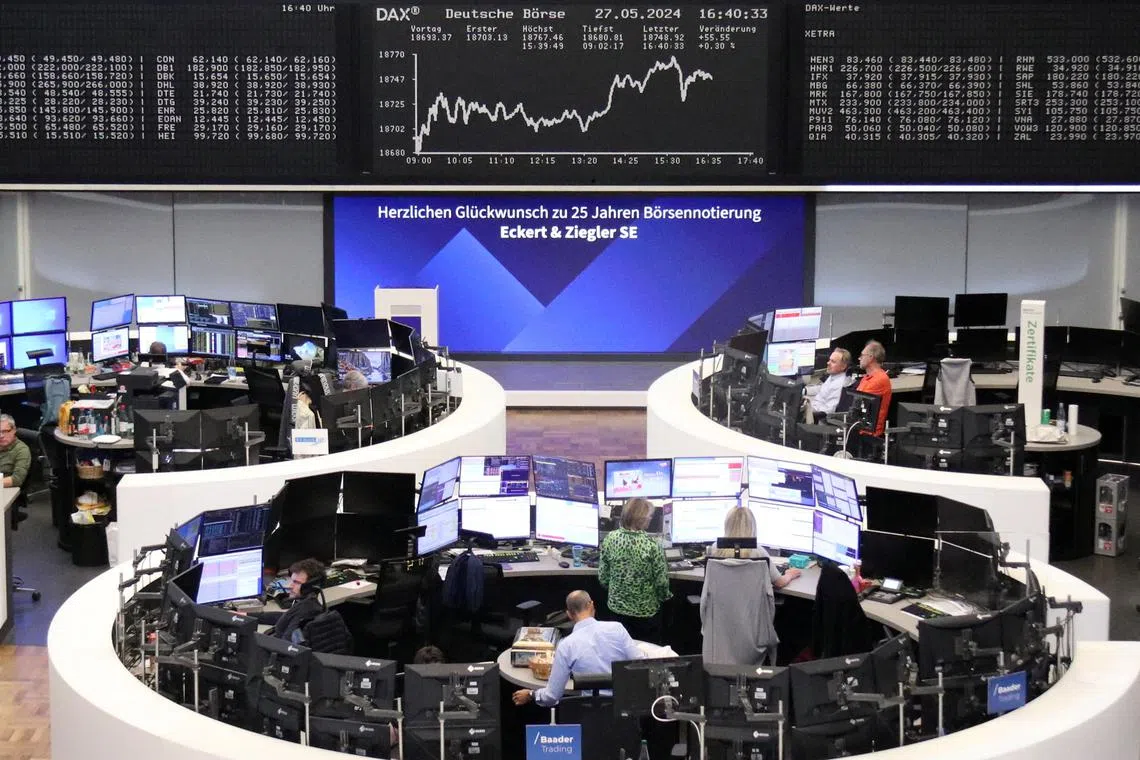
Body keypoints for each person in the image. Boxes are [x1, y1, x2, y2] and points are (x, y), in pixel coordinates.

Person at [511, 590, 642, 707]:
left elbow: (552, 696)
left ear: (569, 614)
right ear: (591, 605)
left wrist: (531, 694)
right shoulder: (617, 628)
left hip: (589, 713)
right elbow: (641, 664)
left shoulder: (566, 645)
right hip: (625, 709)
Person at [597, 497, 671, 643]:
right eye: (649, 516)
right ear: (642, 520)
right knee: (645, 654)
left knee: (620, 654)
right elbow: (662, 584)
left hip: (616, 612)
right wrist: (666, 598)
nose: (650, 519)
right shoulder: (652, 545)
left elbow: (603, 578)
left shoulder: (610, 539)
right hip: (646, 616)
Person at [252, 557, 326, 643]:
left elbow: (285, 647)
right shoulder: (311, 606)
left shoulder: (304, 613)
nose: (290, 586)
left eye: (296, 582)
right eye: (292, 581)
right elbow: (284, 617)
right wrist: (247, 615)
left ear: (310, 587)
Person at [856, 340, 892, 436]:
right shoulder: (867, 377)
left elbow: (859, 405)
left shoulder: (879, 379)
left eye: (862, 355)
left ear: (871, 357)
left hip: (868, 434)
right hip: (860, 428)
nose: (859, 358)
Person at [808, 348, 852, 419]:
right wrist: (805, 391)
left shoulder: (839, 385)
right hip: (814, 406)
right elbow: (823, 388)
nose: (828, 363)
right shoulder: (834, 376)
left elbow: (828, 411)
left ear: (843, 366)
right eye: (829, 360)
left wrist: (809, 410)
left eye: (833, 361)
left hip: (816, 416)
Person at [0, 414, 30, 490]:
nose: (1, 436)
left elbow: (17, 479)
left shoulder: (22, 450)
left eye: (5, 431)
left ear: (14, 430)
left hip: (5, 491)